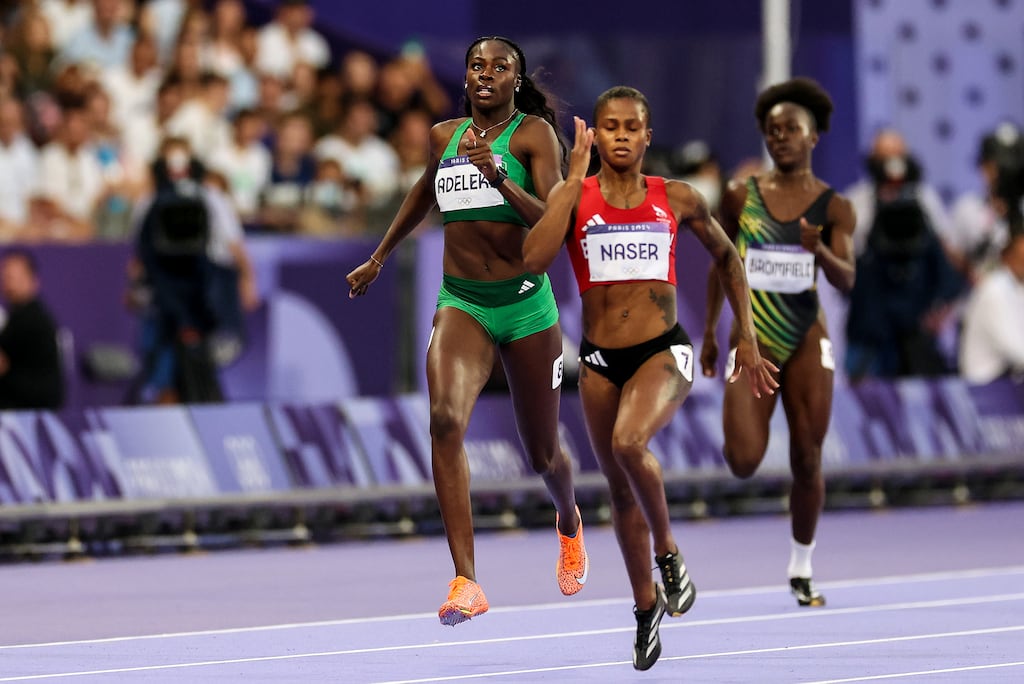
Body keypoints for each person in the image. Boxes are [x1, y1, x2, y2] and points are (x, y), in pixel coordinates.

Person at [523, 87, 778, 671]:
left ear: (646, 137)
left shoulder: (678, 198)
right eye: (607, 125)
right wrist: (569, 184)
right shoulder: (576, 198)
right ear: (596, 135)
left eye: (629, 127)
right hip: (598, 362)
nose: (618, 135)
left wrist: (742, 333)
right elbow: (534, 259)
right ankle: (645, 610)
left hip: (665, 351)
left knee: (628, 442)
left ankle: (670, 555)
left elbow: (729, 257)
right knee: (618, 490)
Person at [346, 36, 588, 626]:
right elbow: (423, 191)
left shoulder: (532, 136)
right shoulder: (443, 137)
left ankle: (569, 518)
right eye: (476, 65)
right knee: (446, 419)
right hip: (464, 303)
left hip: (527, 306)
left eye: (499, 67)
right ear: (465, 78)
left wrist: (502, 181)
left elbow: (555, 219)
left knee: (542, 452)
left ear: (514, 80)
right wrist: (379, 256)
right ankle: (466, 580)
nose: (486, 74)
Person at [700, 78, 856, 608]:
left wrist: (822, 253)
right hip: (754, 339)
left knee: (808, 458)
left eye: (792, 129)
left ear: (813, 138)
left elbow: (847, 280)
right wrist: (709, 334)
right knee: (744, 459)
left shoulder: (835, 207)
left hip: (808, 338)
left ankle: (802, 568)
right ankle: (741, 434)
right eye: (773, 130)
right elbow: (721, 263)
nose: (781, 137)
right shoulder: (740, 196)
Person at [0, 249, 65, 410]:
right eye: (5, 277)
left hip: (27, 411)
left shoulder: (32, 320)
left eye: (13, 277)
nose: (8, 284)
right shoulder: (17, 316)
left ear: (32, 280)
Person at [959, 230, 1024, 384]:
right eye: (1020, 257)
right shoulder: (995, 288)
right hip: (985, 383)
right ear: (1006, 257)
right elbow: (1013, 347)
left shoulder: (1017, 287)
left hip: (1007, 378)